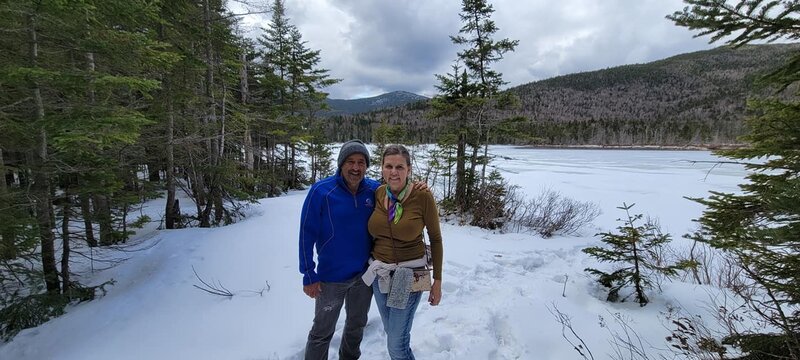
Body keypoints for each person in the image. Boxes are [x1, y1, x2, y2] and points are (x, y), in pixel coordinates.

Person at [361, 144, 444, 360]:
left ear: (409, 169)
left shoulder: (422, 196)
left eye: (399, 166)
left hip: (406, 275)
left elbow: (435, 239)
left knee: (396, 345)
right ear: (381, 169)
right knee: (394, 335)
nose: (394, 172)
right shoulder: (378, 193)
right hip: (380, 273)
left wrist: (437, 280)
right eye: (388, 166)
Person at [299, 139, 378, 360]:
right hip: (330, 279)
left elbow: (400, 194)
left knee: (356, 327)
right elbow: (306, 233)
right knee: (322, 332)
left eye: (361, 162)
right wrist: (308, 273)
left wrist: (418, 187)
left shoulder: (374, 190)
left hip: (364, 277)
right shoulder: (322, 191)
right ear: (341, 164)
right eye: (350, 161)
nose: (356, 167)